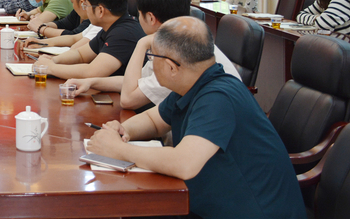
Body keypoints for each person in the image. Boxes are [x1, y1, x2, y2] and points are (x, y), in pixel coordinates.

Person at [87, 16, 305, 219]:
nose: (150, 63)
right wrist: (124, 130)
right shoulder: (193, 84)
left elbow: (184, 163)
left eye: (152, 57)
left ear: (171, 67)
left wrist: (118, 150)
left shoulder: (218, 97)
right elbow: (154, 121)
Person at [65, 0, 240, 109]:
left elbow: (128, 99)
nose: (136, 19)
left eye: (138, 14)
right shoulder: (178, 40)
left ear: (150, 18)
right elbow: (137, 82)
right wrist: (91, 82)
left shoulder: (178, 53)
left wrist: (142, 44)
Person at [32, 0, 144, 79]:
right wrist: (53, 60)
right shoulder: (110, 27)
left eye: (86, 6)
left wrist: (50, 68)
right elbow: (80, 54)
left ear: (100, 10)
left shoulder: (124, 33)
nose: (85, 9)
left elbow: (92, 72)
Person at [22, 0, 102, 51]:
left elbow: (75, 45)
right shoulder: (95, 24)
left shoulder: (99, 24)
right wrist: (41, 42)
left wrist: (42, 28)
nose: (72, 5)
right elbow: (73, 38)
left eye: (71, 1)